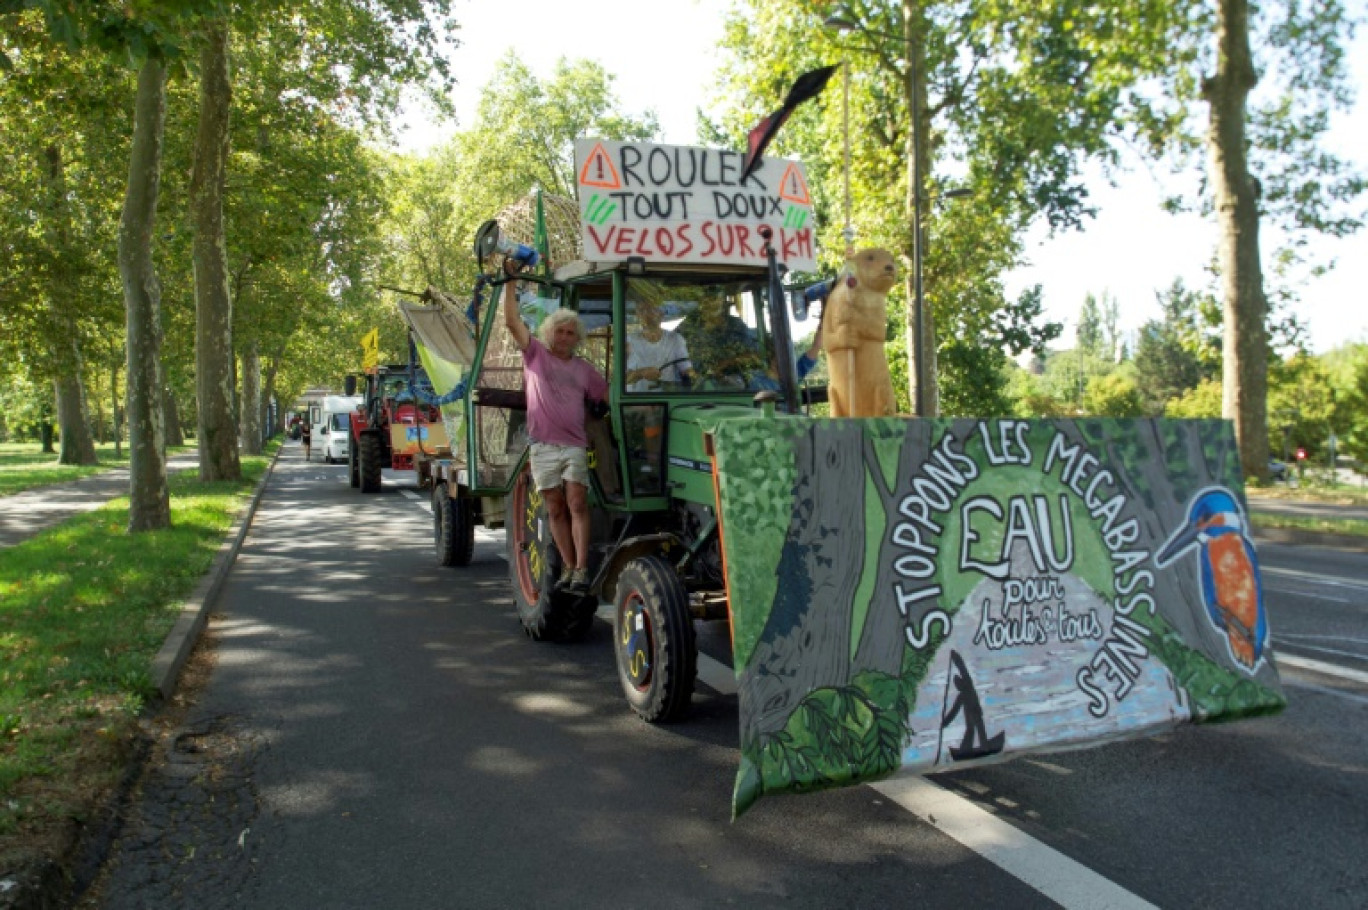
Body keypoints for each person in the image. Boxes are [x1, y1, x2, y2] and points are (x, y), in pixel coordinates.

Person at [502, 262, 608, 594]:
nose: (564, 337)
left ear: (577, 337)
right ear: (550, 333)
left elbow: (605, 399)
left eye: (570, 332)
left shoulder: (586, 370)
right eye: (559, 331)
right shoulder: (535, 354)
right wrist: (510, 282)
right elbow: (511, 321)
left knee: (577, 501)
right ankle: (567, 565)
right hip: (542, 445)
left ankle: (581, 568)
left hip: (574, 443)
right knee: (554, 506)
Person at [677, 291, 767, 386]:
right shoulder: (687, 327)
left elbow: (755, 355)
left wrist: (729, 362)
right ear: (701, 303)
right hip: (694, 389)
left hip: (736, 388)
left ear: (723, 302)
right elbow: (673, 356)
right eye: (706, 300)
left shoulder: (736, 325)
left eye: (714, 299)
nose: (710, 304)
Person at [625, 294, 693, 391]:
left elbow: (686, 369)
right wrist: (640, 373)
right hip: (635, 401)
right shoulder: (628, 340)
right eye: (642, 310)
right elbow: (620, 379)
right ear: (637, 314)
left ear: (661, 312)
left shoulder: (675, 339)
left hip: (666, 401)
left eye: (652, 309)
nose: (647, 314)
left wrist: (699, 375)